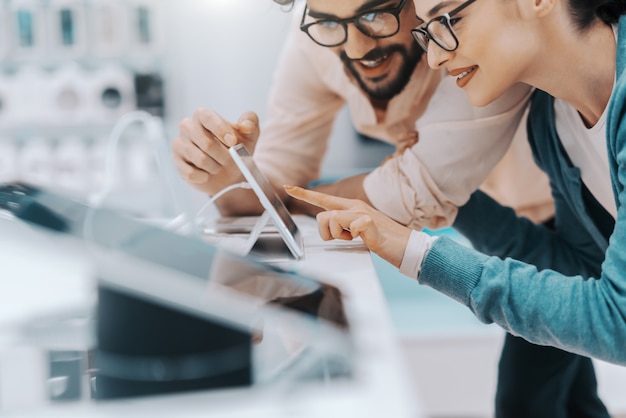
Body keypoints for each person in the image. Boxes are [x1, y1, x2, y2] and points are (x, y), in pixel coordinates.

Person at [170, 1, 609, 417]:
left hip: (553, 208)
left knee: (527, 394)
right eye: (328, 21)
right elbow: (278, 186)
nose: (357, 47)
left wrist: (411, 247)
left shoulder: (481, 38)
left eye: (376, 14)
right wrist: (226, 175)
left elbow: (417, 190)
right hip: (514, 219)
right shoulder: (317, 35)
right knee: (562, 390)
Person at [284, 0, 626, 373]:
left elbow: (617, 322)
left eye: (450, 19)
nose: (432, 58)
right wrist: (451, 198)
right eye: (427, 29)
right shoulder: (551, 124)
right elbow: (580, 269)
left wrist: (416, 252)